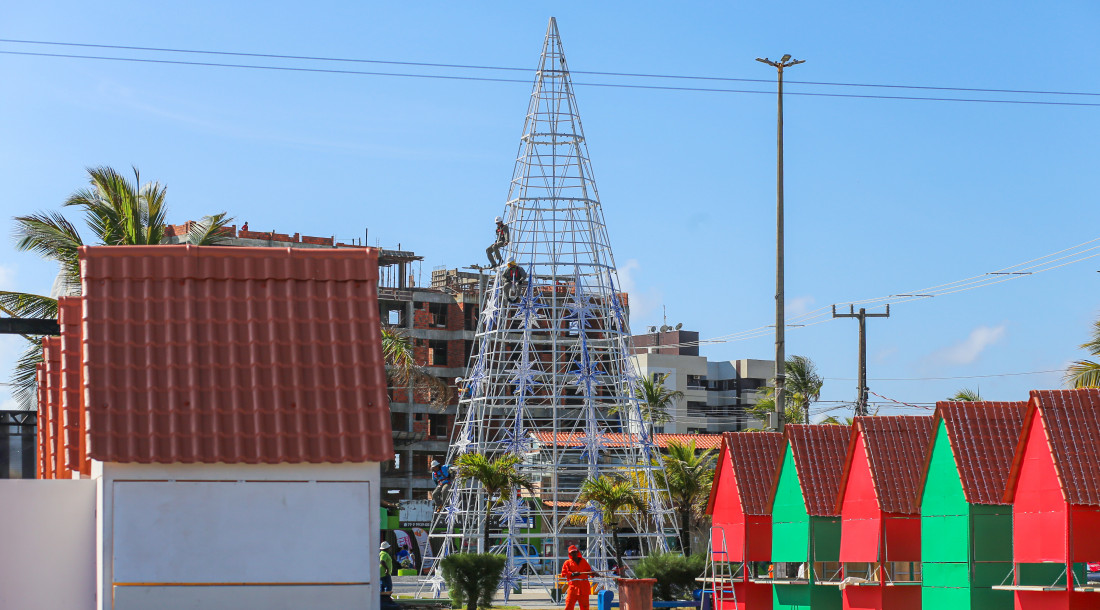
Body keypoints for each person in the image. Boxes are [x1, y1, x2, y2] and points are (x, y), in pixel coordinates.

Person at [561, 545, 596, 610]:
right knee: (569, 606)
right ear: (570, 554)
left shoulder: (583, 561)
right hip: (573, 587)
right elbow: (564, 574)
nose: (574, 554)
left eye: (575, 552)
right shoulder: (567, 563)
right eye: (572, 552)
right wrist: (572, 574)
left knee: (585, 607)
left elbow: (589, 571)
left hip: (584, 588)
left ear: (578, 552)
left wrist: (594, 573)